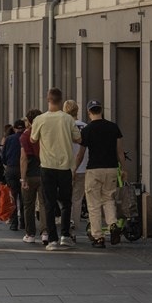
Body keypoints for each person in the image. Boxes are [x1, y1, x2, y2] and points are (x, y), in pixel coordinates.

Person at [31, 89, 82, 249]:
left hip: (47, 166)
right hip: (65, 166)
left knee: (49, 203)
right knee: (66, 202)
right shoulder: (68, 119)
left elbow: (33, 139)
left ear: (48, 99)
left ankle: (52, 239)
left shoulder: (40, 119)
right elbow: (78, 138)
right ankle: (65, 235)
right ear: (61, 100)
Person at [80, 102, 124, 248]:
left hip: (94, 169)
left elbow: (81, 154)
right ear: (101, 110)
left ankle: (98, 237)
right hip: (111, 168)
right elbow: (120, 151)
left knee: (93, 204)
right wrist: (123, 169)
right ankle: (112, 224)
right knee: (109, 199)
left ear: (89, 112)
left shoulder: (87, 130)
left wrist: (74, 168)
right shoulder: (113, 127)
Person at [19, 112, 42, 243]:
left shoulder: (26, 135)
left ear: (29, 121)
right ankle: (45, 232)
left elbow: (24, 158)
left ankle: (30, 234)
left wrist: (23, 178)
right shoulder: (45, 133)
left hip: (30, 173)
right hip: (44, 171)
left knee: (28, 205)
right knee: (44, 204)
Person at [67, 100, 88, 238]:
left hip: (67, 167)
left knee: (66, 198)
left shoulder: (65, 126)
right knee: (77, 199)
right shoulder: (86, 127)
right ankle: (75, 224)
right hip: (83, 167)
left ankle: (67, 224)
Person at [0, 117, 23, 230]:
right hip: (24, 170)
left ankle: (14, 223)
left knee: (13, 196)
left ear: (14, 128)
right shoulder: (27, 138)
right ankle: (24, 222)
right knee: (25, 198)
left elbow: (3, 156)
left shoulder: (9, 139)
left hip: (11, 169)